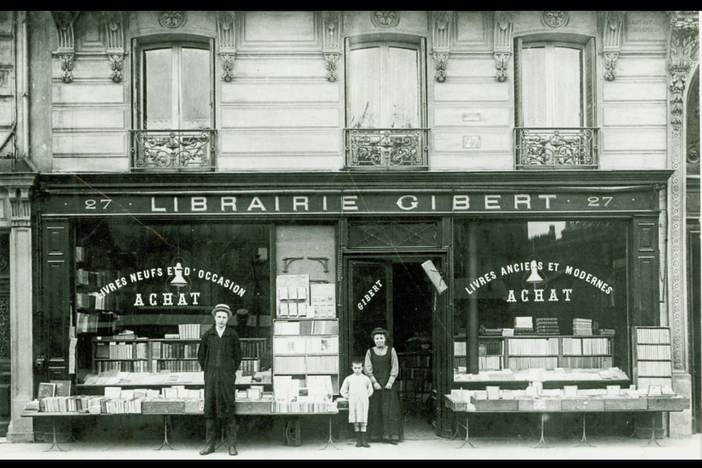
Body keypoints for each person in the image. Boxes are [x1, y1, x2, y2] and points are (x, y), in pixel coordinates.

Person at [197, 304, 242, 456]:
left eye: (224, 317)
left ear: (227, 319)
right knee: (210, 411)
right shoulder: (208, 335)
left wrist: (228, 372)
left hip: (227, 379)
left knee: (229, 411)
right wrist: (210, 371)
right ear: (214, 317)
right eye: (219, 317)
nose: (221, 320)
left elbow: (238, 357)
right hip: (211, 379)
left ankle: (232, 446)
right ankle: (210, 446)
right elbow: (201, 357)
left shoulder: (233, 335)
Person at [365, 327, 403, 444]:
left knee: (389, 410)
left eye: (381, 338)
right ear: (374, 340)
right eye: (377, 338)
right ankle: (376, 436)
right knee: (376, 409)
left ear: (385, 339)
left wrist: (390, 382)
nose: (379, 340)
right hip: (375, 385)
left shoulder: (391, 350)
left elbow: (395, 366)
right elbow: (367, 368)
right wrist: (374, 382)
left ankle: (391, 436)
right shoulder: (369, 352)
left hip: (388, 385)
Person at [340, 359, 374, 448]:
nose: (357, 370)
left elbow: (370, 390)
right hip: (353, 401)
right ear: (352, 368)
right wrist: (349, 396)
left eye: (359, 368)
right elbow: (343, 390)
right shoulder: (349, 379)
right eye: (355, 368)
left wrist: (364, 396)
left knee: (363, 419)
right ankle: (358, 440)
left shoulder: (366, 379)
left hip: (363, 401)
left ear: (362, 368)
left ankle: (364, 440)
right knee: (356, 419)